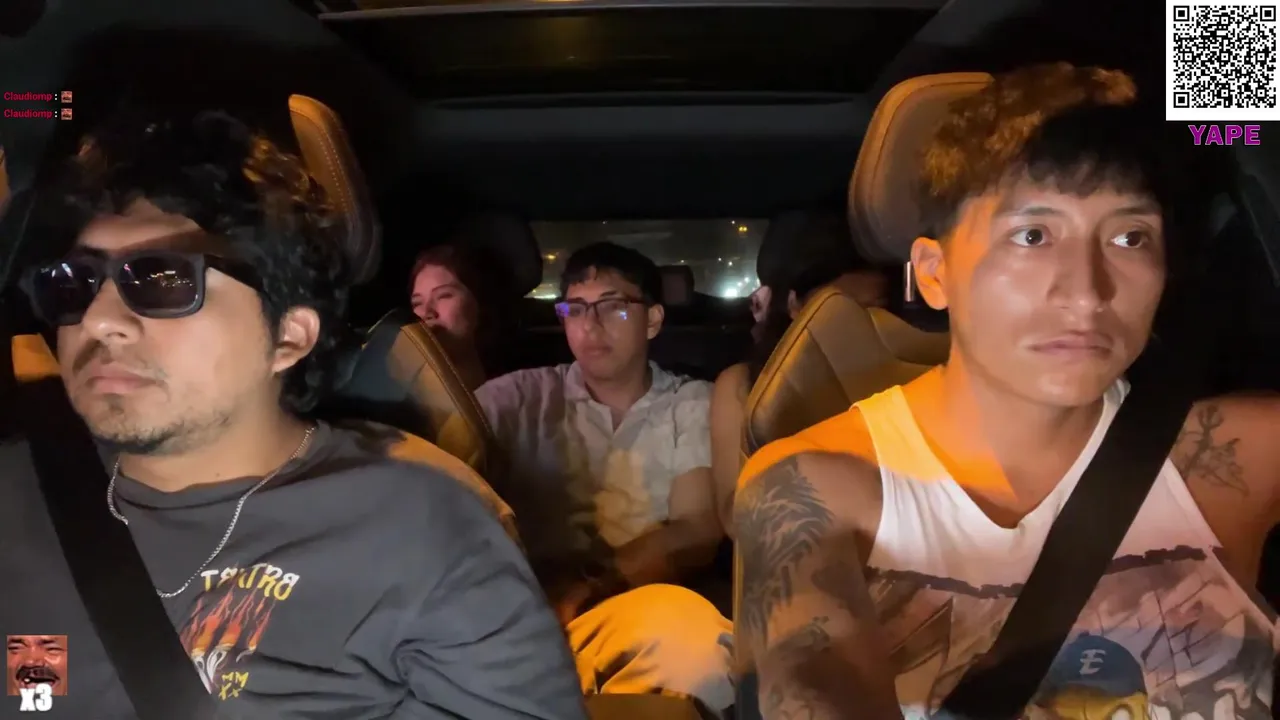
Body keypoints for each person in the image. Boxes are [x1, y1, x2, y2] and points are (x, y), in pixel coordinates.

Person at [0, 108, 586, 720]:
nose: (97, 319)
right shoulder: (18, 492)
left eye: (166, 279)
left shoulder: (421, 530)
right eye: (75, 282)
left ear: (288, 336)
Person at [734, 63, 1277, 719]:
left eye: (1130, 237)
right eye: (1032, 235)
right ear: (934, 274)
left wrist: (1243, 126)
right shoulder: (814, 488)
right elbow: (811, 678)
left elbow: (1249, 72)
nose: (1086, 292)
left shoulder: (1243, 455)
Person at [476, 242, 734, 713]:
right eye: (575, 309)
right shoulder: (516, 399)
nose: (590, 326)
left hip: (642, 604)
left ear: (652, 320)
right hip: (522, 609)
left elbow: (696, 528)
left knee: (697, 650)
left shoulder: (690, 403)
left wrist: (589, 585)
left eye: (613, 307)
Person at [712, 213, 890, 534]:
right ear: (795, 305)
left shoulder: (908, 376)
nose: (860, 324)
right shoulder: (744, 385)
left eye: (875, 308)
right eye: (842, 310)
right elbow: (733, 517)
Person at [408, 242, 508, 391]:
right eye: (417, 303)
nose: (427, 312)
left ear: (481, 303)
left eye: (444, 295)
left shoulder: (514, 392)